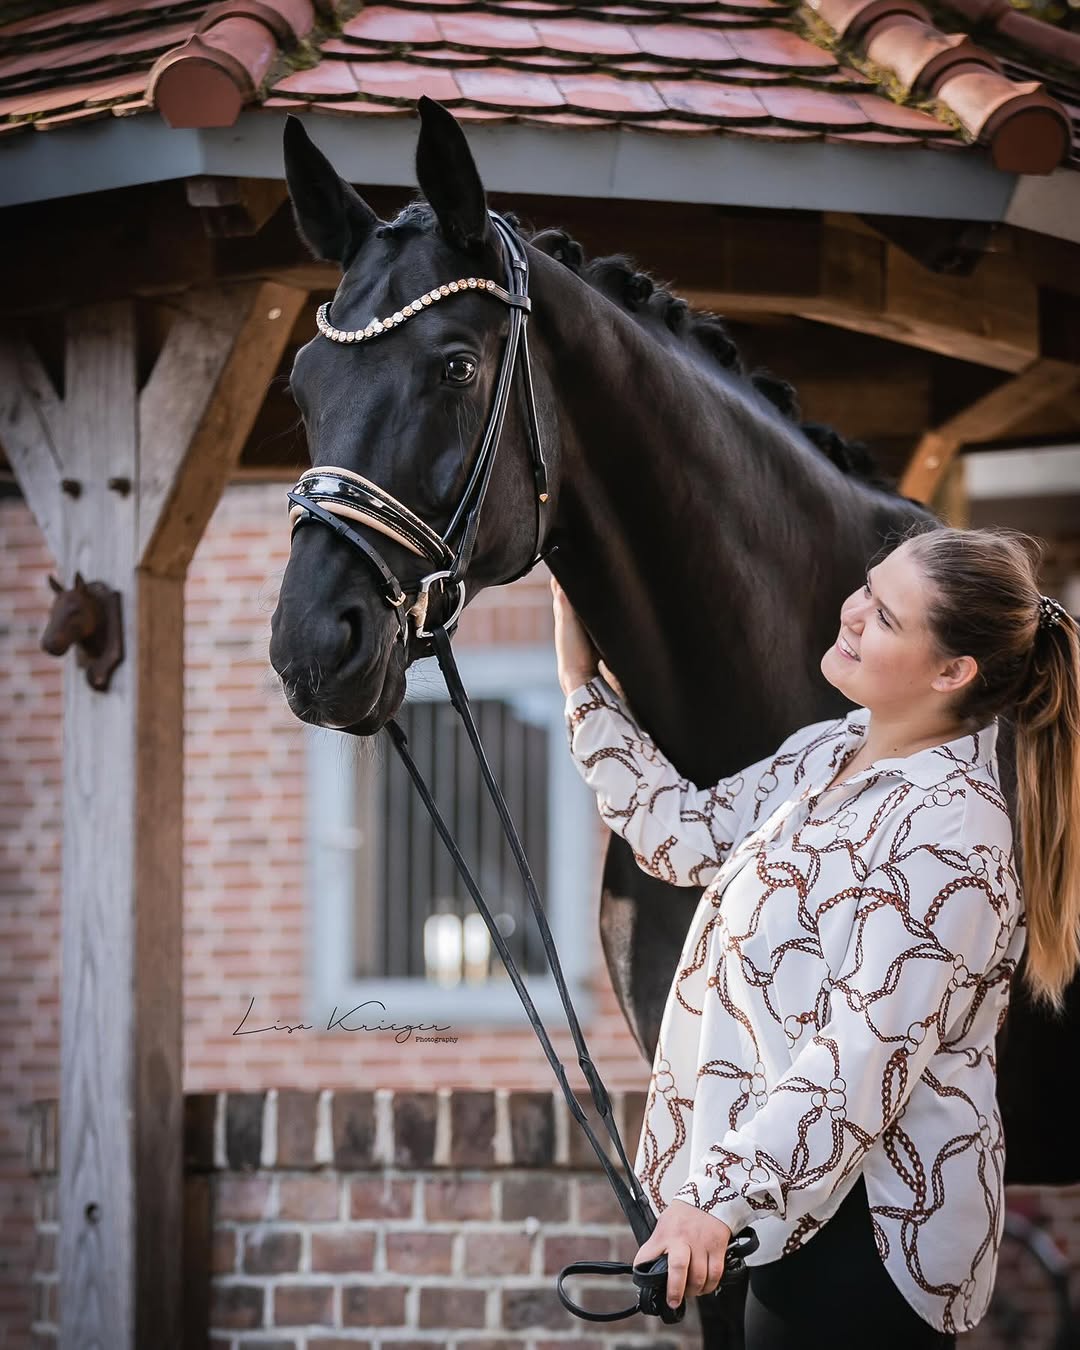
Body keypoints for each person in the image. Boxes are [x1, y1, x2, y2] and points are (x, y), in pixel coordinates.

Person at [551, 523, 1080, 1348]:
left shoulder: (953, 838)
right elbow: (686, 832)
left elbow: (857, 1062)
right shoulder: (831, 753)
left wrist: (712, 1204)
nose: (855, 614)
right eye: (868, 588)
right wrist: (582, 686)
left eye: (889, 617)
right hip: (787, 1208)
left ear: (953, 671)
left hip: (871, 1239)